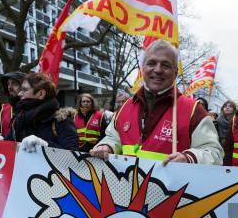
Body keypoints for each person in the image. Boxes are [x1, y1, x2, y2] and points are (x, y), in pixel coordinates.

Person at [90, 40, 223, 165]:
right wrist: (106, 146)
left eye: (165, 65)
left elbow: (214, 153)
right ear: (143, 69)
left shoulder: (194, 110)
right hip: (127, 188)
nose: (158, 70)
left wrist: (189, 158)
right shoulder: (126, 106)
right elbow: (113, 138)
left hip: (172, 188)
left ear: (175, 72)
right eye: (152, 63)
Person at [0, 72, 78, 152]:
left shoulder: (61, 120)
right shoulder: (19, 119)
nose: (20, 93)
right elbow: (11, 145)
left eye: (24, 90)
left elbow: (73, 157)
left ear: (41, 94)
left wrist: (45, 146)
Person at [0, 72, 26, 138]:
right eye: (8, 84)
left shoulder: (33, 108)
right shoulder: (4, 109)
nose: (9, 87)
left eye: (14, 83)